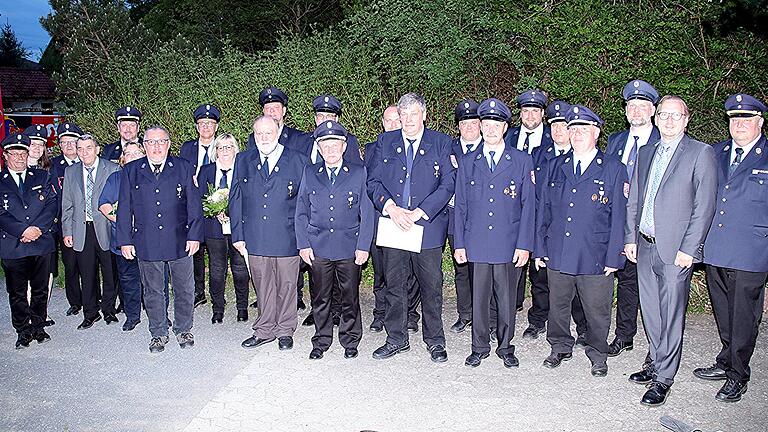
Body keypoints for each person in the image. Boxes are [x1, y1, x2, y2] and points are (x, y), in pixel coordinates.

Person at [624, 95, 717, 406]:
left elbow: (704, 207)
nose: (668, 120)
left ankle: (664, 377)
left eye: (675, 115)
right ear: (656, 118)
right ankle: (655, 361)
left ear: (686, 119)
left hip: (676, 250)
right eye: (663, 114)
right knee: (650, 311)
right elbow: (634, 200)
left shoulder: (700, 153)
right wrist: (630, 238)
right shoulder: (646, 151)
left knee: (671, 313)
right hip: (646, 245)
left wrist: (690, 249)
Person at [535, 105, 628, 378]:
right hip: (558, 250)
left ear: (596, 133)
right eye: (573, 129)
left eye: (583, 129)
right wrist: (540, 248)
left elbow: (620, 217)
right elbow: (544, 210)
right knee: (558, 305)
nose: (576, 134)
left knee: (596, 311)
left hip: (595, 253)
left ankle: (598, 354)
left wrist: (614, 257)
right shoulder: (555, 166)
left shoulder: (612, 168)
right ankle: (559, 346)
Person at [367, 93, 455, 362]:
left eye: (413, 114)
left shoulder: (440, 142)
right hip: (394, 224)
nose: (407, 120)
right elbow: (373, 182)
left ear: (424, 115)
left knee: (431, 286)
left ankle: (435, 340)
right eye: (403, 115)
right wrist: (391, 208)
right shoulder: (385, 141)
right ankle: (396, 338)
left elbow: (449, 184)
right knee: (394, 285)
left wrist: (421, 211)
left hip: (425, 226)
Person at [695, 94, 767, 402]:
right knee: (724, 312)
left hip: (752, 251)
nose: (739, 125)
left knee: (744, 316)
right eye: (735, 119)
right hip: (717, 247)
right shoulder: (717, 152)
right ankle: (726, 360)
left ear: (760, 123)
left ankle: (739, 374)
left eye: (746, 120)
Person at [454, 98, 535, 368]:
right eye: (485, 123)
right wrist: (460, 243)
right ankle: (479, 346)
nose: (490, 129)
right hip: (477, 241)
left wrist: (524, 244)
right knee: (479, 298)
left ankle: (505, 346)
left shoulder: (522, 161)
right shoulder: (468, 162)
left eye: (495, 124)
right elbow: (461, 205)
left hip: (507, 243)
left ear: (504, 128)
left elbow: (528, 206)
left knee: (507, 298)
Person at [116, 126, 203, 353]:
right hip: (146, 240)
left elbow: (194, 205)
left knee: (184, 288)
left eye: (161, 141)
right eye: (151, 142)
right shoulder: (132, 170)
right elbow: (125, 208)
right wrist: (125, 240)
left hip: (180, 238)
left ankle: (184, 328)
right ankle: (158, 332)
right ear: (144, 145)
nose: (156, 147)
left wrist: (194, 235)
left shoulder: (183, 167)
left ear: (168, 143)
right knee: (153, 289)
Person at [295, 120, 374, 359]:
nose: (330, 150)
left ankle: (350, 340)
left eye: (335, 145)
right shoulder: (310, 172)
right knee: (320, 297)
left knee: (350, 296)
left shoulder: (358, 172)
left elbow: (367, 213)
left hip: (348, 247)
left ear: (343, 146)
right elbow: (301, 210)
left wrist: (363, 246)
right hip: (318, 247)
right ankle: (321, 340)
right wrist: (303, 244)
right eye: (325, 146)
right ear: (319, 149)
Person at [233, 116, 306, 351]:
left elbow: (305, 203)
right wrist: (238, 235)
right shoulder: (243, 159)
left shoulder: (297, 160)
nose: (264, 138)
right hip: (255, 235)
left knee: (286, 284)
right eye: (259, 134)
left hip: (287, 235)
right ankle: (264, 329)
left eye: (268, 133)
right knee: (262, 284)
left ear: (278, 132)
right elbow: (235, 199)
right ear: (253, 135)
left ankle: (285, 329)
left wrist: (304, 237)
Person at [604, 79, 662, 357]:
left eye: (642, 106)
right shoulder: (615, 140)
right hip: (616, 219)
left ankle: (658, 346)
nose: (636, 111)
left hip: (649, 223)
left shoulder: (662, 139)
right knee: (626, 279)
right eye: (631, 105)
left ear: (652, 110)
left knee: (653, 284)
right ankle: (624, 335)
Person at [299, 94, 364, 327]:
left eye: (330, 116)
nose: (325, 119)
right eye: (320, 115)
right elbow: (302, 200)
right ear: (315, 118)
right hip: (316, 224)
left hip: (344, 229)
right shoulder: (303, 142)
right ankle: (321, 319)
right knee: (319, 283)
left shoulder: (349, 144)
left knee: (346, 286)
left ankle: (339, 314)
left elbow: (356, 184)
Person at [533, 100, 589, 346]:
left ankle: (583, 326)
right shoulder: (539, 154)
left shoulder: (581, 156)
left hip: (573, 229)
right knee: (542, 278)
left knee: (574, 283)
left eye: (563, 125)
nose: (557, 131)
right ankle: (538, 319)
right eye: (553, 125)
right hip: (545, 223)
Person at [364, 105, 420, 333]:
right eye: (388, 121)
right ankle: (381, 312)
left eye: (398, 120)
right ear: (382, 123)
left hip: (409, 218)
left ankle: (410, 314)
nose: (393, 125)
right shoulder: (371, 149)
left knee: (411, 271)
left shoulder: (414, 147)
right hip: (382, 219)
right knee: (382, 271)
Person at [0, 133, 58, 348]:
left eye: (22, 153)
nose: (19, 158)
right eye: (14, 154)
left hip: (40, 241)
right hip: (13, 244)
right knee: (17, 291)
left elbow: (52, 204)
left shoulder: (41, 176)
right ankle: (22, 329)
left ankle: (38, 325)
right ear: (5, 156)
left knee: (41, 288)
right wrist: (23, 230)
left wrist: (37, 229)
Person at [506, 90, 555, 334]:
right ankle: (509, 309)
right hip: (511, 211)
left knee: (539, 269)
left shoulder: (554, 137)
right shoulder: (509, 136)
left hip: (540, 211)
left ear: (543, 114)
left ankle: (538, 319)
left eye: (535, 111)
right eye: (525, 111)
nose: (530, 115)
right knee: (511, 265)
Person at [61, 134, 120, 329]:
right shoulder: (70, 172)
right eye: (80, 149)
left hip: (105, 227)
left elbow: (119, 201)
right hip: (81, 229)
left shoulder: (112, 169)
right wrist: (67, 231)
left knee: (110, 272)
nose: (84, 152)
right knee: (87, 274)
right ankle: (90, 313)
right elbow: (67, 204)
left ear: (97, 149)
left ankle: (109, 310)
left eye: (88, 148)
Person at [196, 133, 251, 324]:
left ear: (236, 150)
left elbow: (251, 198)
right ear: (215, 151)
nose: (225, 151)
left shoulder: (245, 170)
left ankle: (242, 307)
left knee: (240, 269)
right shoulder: (205, 171)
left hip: (239, 228)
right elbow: (199, 199)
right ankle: (217, 308)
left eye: (229, 146)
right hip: (214, 229)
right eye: (221, 147)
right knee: (217, 270)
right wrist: (213, 212)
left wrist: (234, 213)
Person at [98, 141, 146, 331]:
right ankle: (132, 316)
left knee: (154, 281)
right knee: (128, 280)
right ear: (122, 158)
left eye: (137, 153)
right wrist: (124, 221)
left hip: (149, 240)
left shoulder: (153, 178)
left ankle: (158, 315)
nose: (133, 157)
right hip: (124, 238)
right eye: (129, 153)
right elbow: (104, 205)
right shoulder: (115, 179)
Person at [446, 99, 482, 334]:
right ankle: (465, 313)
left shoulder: (490, 147)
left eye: (473, 122)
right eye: (463, 123)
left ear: (480, 125)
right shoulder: (448, 148)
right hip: (454, 216)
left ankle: (484, 317)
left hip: (481, 219)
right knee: (461, 267)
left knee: (482, 269)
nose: (468, 127)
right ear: (458, 126)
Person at [179, 103, 220, 308]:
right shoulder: (187, 148)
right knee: (195, 249)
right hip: (191, 204)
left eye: (210, 123)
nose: (206, 127)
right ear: (196, 127)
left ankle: (216, 292)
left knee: (214, 252)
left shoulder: (222, 146)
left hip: (215, 205)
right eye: (202, 124)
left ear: (216, 127)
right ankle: (198, 291)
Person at [23, 124, 54, 327]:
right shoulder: (13, 171)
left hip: (45, 231)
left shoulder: (49, 171)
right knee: (24, 275)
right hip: (22, 234)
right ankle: (27, 314)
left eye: (40, 144)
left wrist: (42, 227)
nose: (36, 148)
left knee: (47, 274)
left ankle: (42, 312)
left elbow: (53, 203)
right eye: (32, 144)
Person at [50, 122, 83, 317]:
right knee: (71, 265)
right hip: (67, 222)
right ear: (59, 145)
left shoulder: (89, 162)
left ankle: (92, 297)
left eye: (73, 141)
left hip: (89, 222)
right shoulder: (53, 166)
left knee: (90, 264)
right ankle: (75, 301)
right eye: (65, 142)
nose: (69, 146)